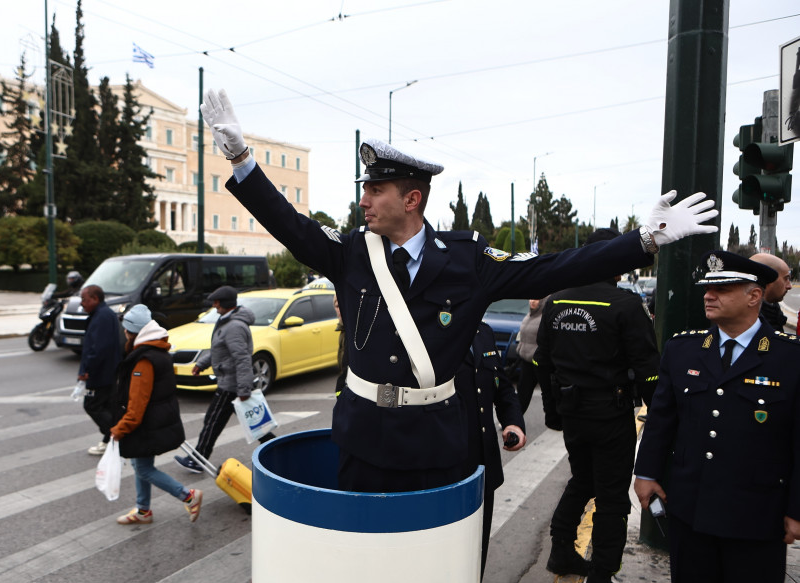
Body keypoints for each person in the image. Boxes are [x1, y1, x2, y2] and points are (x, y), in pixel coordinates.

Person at [200, 88, 717, 493]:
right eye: (365, 189)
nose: (365, 201)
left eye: (375, 190)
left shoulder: (468, 259)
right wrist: (241, 158)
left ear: (412, 199)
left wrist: (642, 241)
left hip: (435, 439)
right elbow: (289, 224)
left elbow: (552, 268)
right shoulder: (350, 252)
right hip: (362, 436)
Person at [634, 251, 800, 583]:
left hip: (757, 516)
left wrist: (796, 510)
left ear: (754, 296)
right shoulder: (683, 350)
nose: (709, 295)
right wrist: (646, 472)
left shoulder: (789, 358)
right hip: (692, 511)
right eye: (708, 288)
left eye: (723, 288)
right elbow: (663, 418)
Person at [535, 228, 660, 583]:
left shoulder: (555, 303)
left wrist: (552, 412)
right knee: (611, 498)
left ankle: (561, 550)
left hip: (572, 413)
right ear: (617, 263)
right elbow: (649, 369)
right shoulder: (623, 304)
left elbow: (541, 363)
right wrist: (661, 418)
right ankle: (602, 581)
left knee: (582, 481)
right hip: (610, 416)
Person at [109, 304, 202, 525]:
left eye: (125, 330)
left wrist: (119, 429)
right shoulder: (158, 350)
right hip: (155, 420)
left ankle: (188, 496)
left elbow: (137, 404)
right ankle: (143, 511)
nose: (123, 334)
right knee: (140, 465)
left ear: (132, 332)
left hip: (146, 424)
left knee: (143, 468)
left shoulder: (143, 360)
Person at [173, 286, 273, 472]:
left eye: (217, 302)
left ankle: (198, 460)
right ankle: (276, 450)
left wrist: (243, 389)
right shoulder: (226, 322)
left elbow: (242, 359)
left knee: (212, 422)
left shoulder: (234, 326)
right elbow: (219, 349)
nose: (214, 305)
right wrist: (201, 364)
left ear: (225, 304)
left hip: (231, 385)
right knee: (255, 424)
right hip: (232, 383)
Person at [457, 322, 526, 581]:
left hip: (482, 466)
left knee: (478, 552)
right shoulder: (430, 328)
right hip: (447, 470)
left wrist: (513, 422)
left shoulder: (482, 331)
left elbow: (502, 387)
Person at [78, 285, 122, 455]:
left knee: (92, 405)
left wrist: (87, 369)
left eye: (84, 299)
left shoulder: (102, 316)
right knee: (108, 407)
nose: (82, 304)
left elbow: (99, 349)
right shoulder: (103, 314)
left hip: (101, 373)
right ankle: (110, 439)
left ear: (95, 299)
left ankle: (115, 436)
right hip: (108, 371)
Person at [515, 297, 551, 422]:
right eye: (531, 299)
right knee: (522, 393)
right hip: (526, 361)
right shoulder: (529, 316)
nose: (532, 301)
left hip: (538, 362)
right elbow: (523, 337)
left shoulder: (543, 317)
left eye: (536, 299)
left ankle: (553, 418)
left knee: (547, 392)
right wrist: (520, 350)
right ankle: (515, 418)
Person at [750, 253, 792, 332]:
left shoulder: (773, 311)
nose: (789, 286)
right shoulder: (748, 322)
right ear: (768, 279)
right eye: (786, 279)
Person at [333, 294, 349, 395]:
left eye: (343, 305)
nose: (340, 310)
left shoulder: (353, 332)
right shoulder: (342, 329)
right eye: (337, 306)